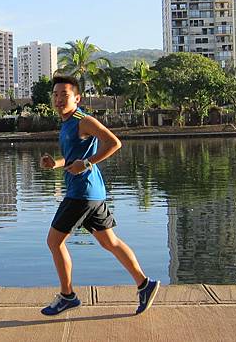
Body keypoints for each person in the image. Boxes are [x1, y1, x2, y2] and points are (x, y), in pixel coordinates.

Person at [39, 75, 159, 316]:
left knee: (54, 241)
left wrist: (87, 163)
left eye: (65, 94)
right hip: (91, 194)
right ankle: (145, 285)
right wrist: (56, 163)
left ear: (77, 97)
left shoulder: (83, 120)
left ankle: (67, 296)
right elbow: (74, 159)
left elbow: (114, 143)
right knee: (109, 242)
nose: (59, 99)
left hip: (81, 194)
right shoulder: (67, 124)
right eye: (55, 95)